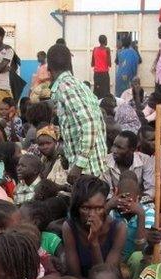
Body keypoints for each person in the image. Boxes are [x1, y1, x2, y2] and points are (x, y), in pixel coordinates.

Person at [48, 43, 107, 181]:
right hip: (94, 166)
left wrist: (78, 166)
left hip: (87, 172)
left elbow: (89, 124)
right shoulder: (79, 85)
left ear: (48, 67)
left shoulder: (65, 87)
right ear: (70, 63)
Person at [62, 176, 127, 278]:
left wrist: (94, 242)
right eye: (85, 208)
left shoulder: (118, 228)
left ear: (105, 206)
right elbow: (75, 276)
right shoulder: (70, 227)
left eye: (98, 208)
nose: (92, 214)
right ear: (77, 208)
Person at [102, 131, 155, 203]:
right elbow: (107, 193)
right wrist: (122, 202)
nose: (113, 150)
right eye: (114, 145)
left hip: (140, 203)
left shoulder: (145, 160)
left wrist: (136, 202)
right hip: (114, 205)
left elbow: (151, 189)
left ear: (132, 150)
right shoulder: (106, 161)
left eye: (119, 148)